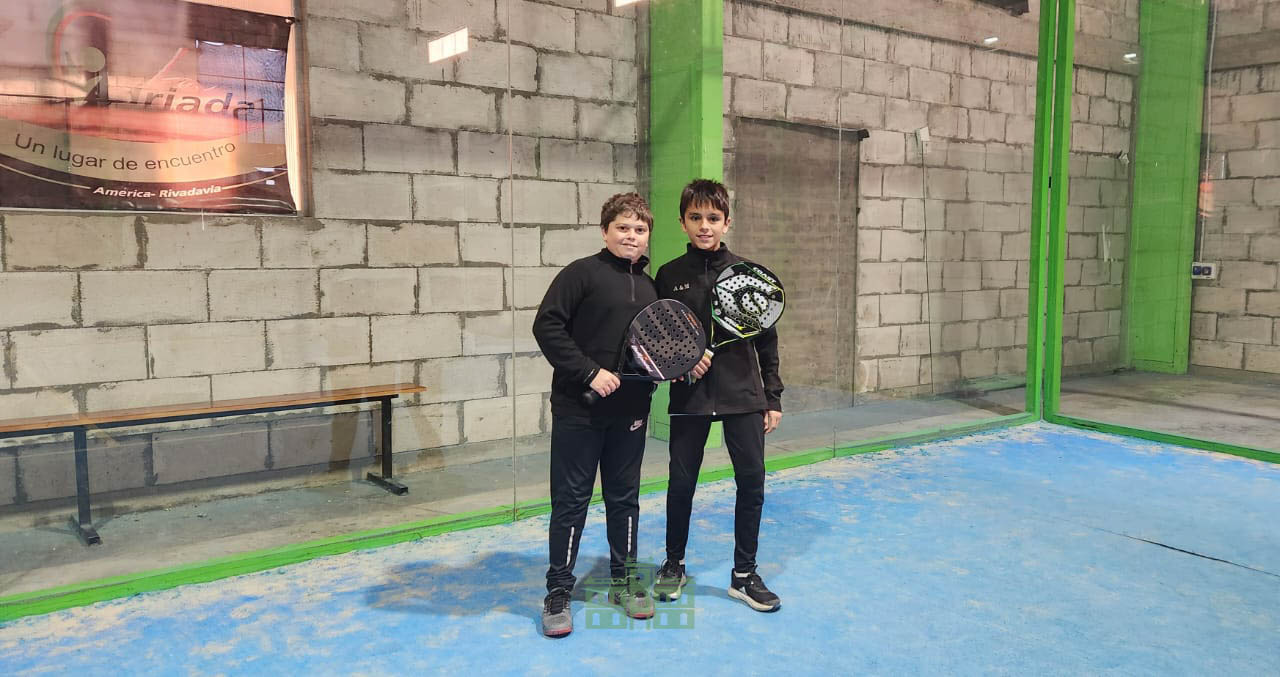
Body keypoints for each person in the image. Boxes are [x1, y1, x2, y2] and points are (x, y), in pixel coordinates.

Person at [651, 178, 784, 612]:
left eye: (713, 218)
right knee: (681, 484)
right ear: (682, 223)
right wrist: (681, 364)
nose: (704, 226)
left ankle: (744, 575)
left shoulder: (748, 273)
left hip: (744, 396)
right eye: (695, 218)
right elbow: (661, 335)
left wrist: (772, 397)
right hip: (690, 398)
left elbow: (766, 340)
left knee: (752, 483)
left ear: (727, 222)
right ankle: (674, 563)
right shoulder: (668, 275)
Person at [531, 192, 659, 637]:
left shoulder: (651, 287)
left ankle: (624, 582)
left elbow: (655, 347)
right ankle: (558, 591)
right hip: (578, 411)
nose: (631, 236)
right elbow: (547, 326)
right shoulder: (580, 274)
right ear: (605, 231)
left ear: (648, 236)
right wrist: (588, 372)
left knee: (624, 499)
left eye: (640, 229)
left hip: (631, 413)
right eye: (623, 227)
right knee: (571, 501)